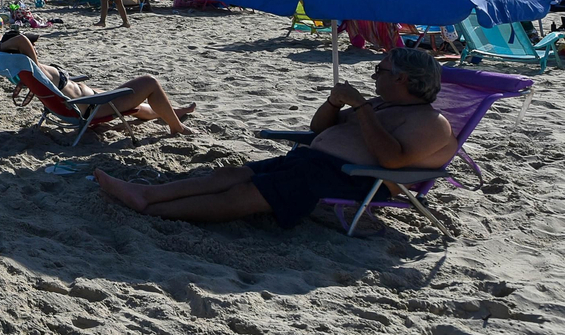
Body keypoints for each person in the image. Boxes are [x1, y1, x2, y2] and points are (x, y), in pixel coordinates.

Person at [97, 49, 453, 228]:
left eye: (381, 70)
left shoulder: (431, 123)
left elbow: (392, 161)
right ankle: (146, 195)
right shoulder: (382, 105)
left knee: (242, 196)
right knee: (226, 176)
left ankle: (155, 211)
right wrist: (334, 102)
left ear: (403, 79)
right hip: (312, 162)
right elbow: (319, 130)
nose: (374, 75)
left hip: (349, 179)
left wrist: (362, 108)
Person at [0, 31, 192, 135]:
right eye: (33, 45)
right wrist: (1, 46)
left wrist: (2, 45)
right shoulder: (34, 67)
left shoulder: (29, 72)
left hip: (93, 102)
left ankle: (173, 113)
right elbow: (21, 40)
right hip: (96, 107)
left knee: (138, 106)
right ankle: (177, 128)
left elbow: (20, 42)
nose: (35, 47)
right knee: (150, 82)